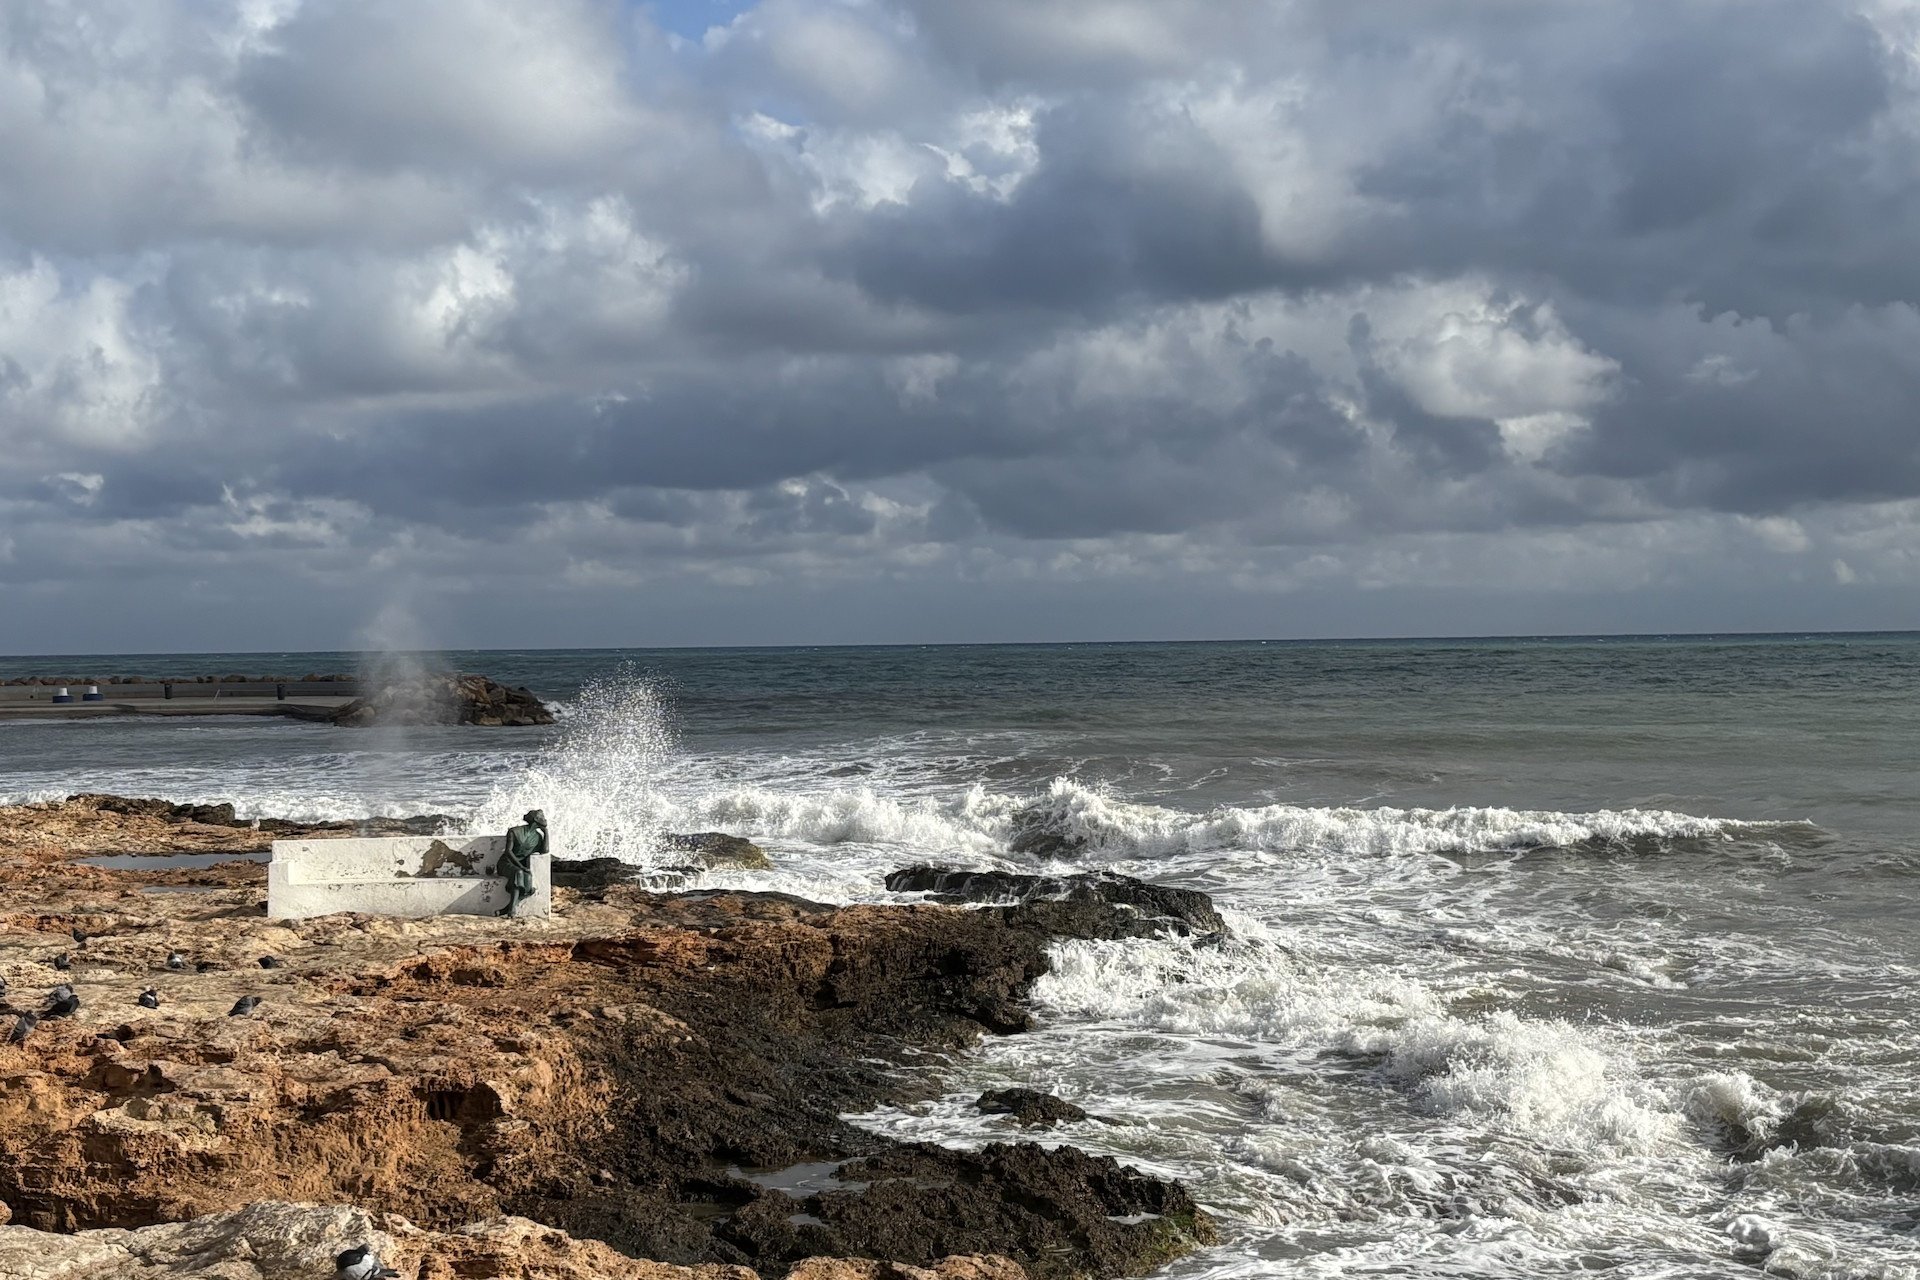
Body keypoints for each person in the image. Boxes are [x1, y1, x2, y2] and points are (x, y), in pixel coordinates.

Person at [498, 809, 548, 917]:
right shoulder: (514, 831)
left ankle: (506, 910)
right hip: (506, 863)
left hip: (520, 867)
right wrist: (521, 867)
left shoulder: (537, 837)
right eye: (542, 817)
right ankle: (511, 911)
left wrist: (546, 833)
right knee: (519, 873)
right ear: (536, 819)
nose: (545, 819)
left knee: (528, 880)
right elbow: (508, 852)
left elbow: (545, 851)